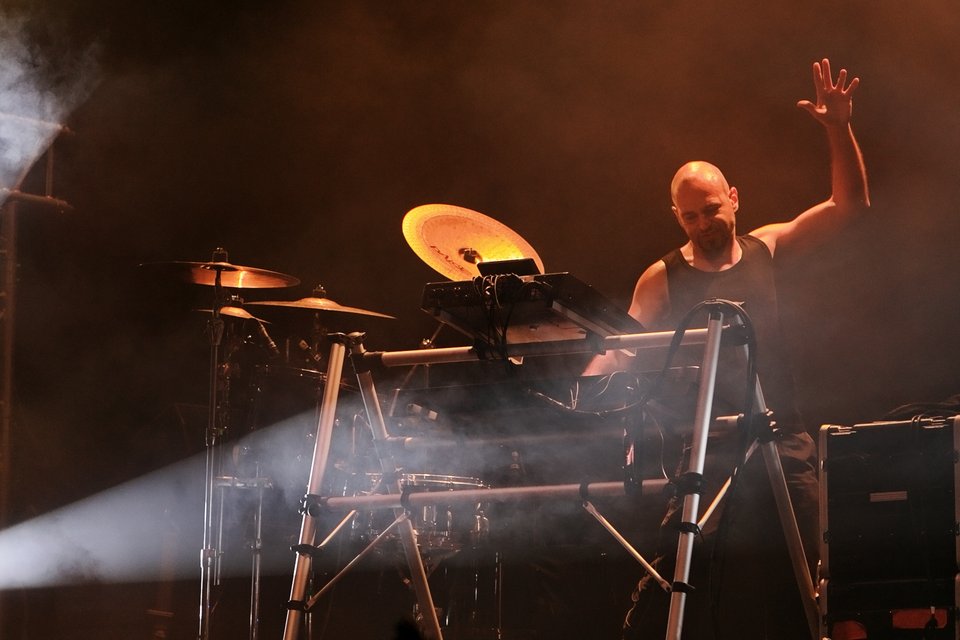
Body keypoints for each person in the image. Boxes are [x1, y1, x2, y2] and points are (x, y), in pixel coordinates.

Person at [587, 58, 870, 639]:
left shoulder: (767, 247)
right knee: (678, 576)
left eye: (712, 210)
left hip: (782, 439)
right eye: (690, 216)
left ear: (734, 198)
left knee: (822, 575)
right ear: (677, 216)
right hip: (708, 449)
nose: (703, 224)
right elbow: (622, 347)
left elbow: (849, 207)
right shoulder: (662, 278)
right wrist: (585, 377)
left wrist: (839, 129)